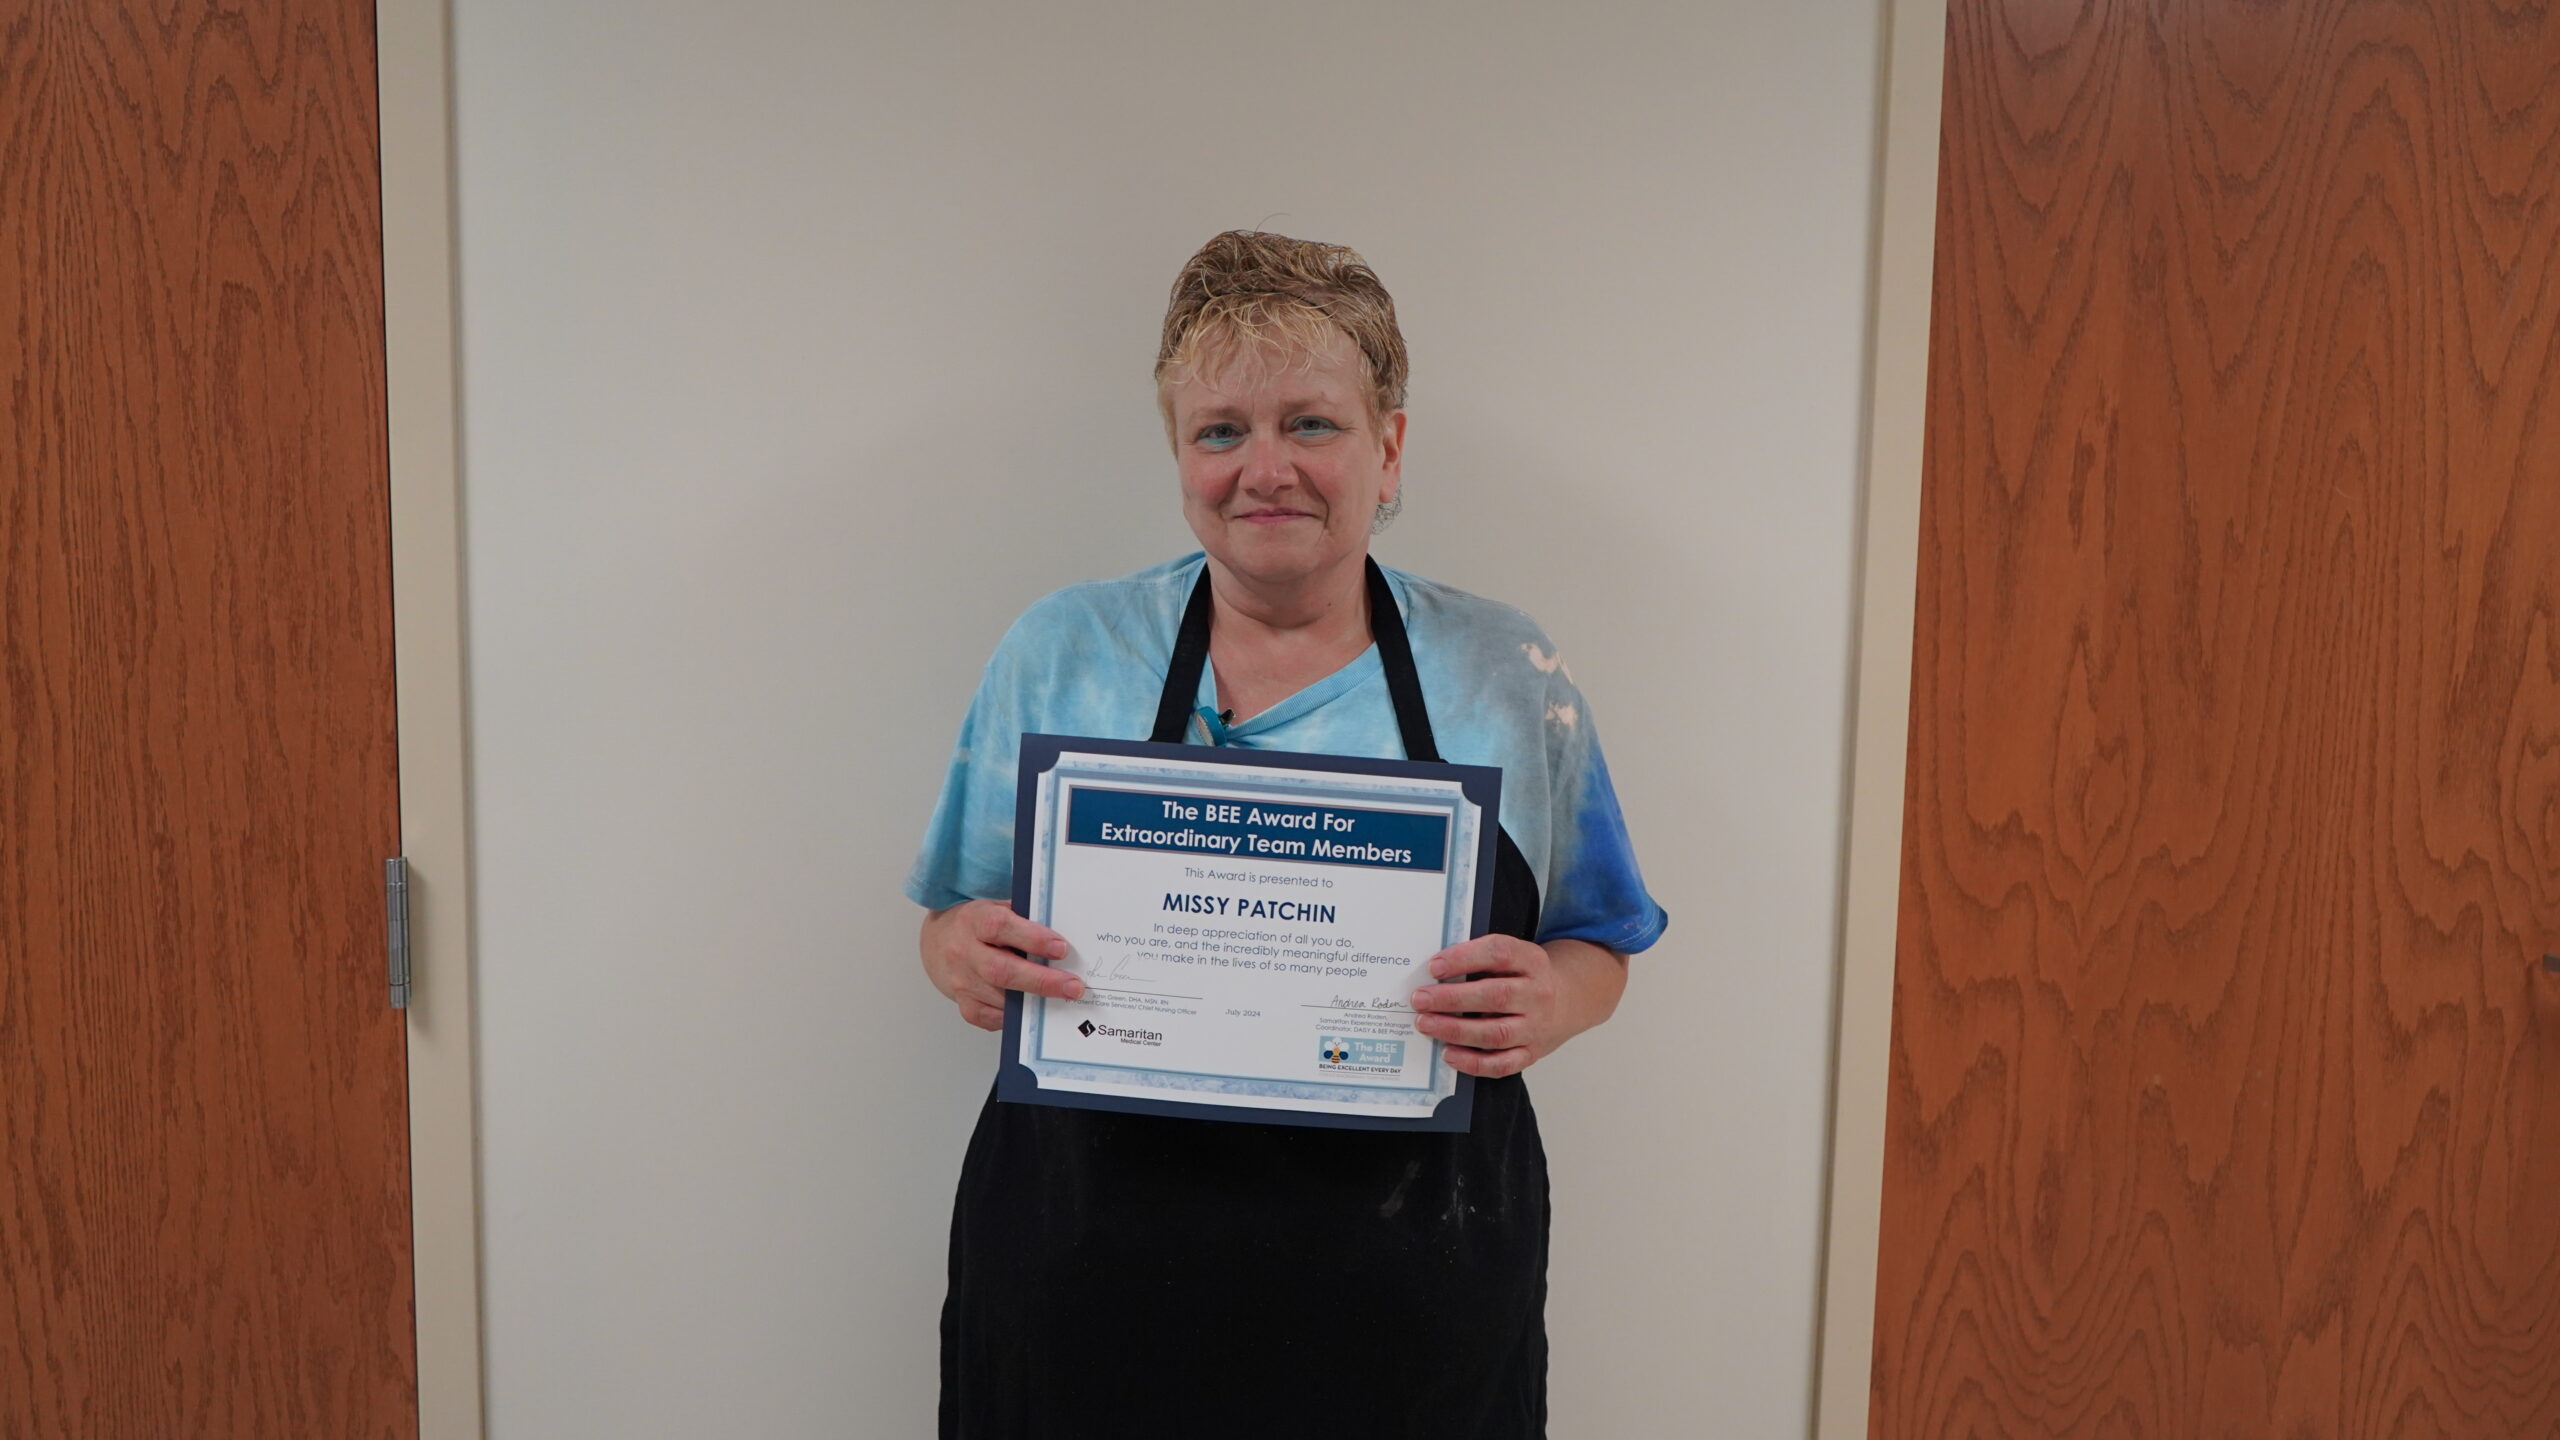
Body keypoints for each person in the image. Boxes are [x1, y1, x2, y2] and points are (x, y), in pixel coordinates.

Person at [906, 230, 1668, 1439]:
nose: (1265, 469)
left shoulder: (1505, 674)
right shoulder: (1063, 650)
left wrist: (1554, 1002)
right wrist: (959, 955)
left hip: (1408, 1316)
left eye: (1310, 424)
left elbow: (1600, 943)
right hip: (1086, 1294)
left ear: (1389, 445)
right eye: (1221, 431)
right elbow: (951, 923)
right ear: (1178, 454)